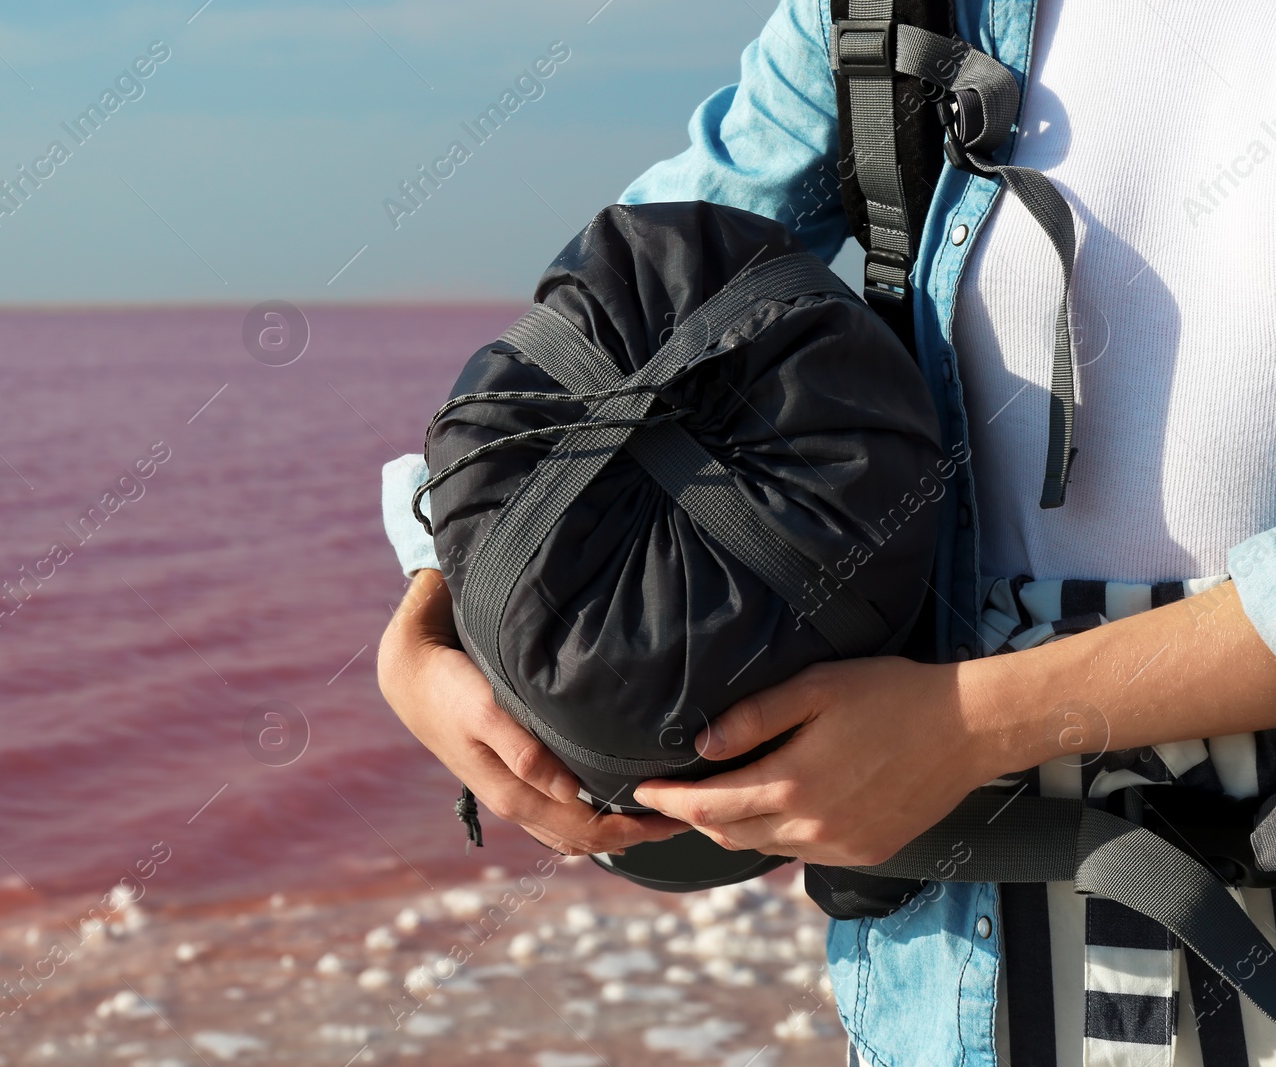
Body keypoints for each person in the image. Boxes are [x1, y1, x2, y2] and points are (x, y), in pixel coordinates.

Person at [377, 0, 1276, 1062]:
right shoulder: (898, 8)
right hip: (949, 989)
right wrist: (433, 610)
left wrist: (972, 724)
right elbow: (607, 325)